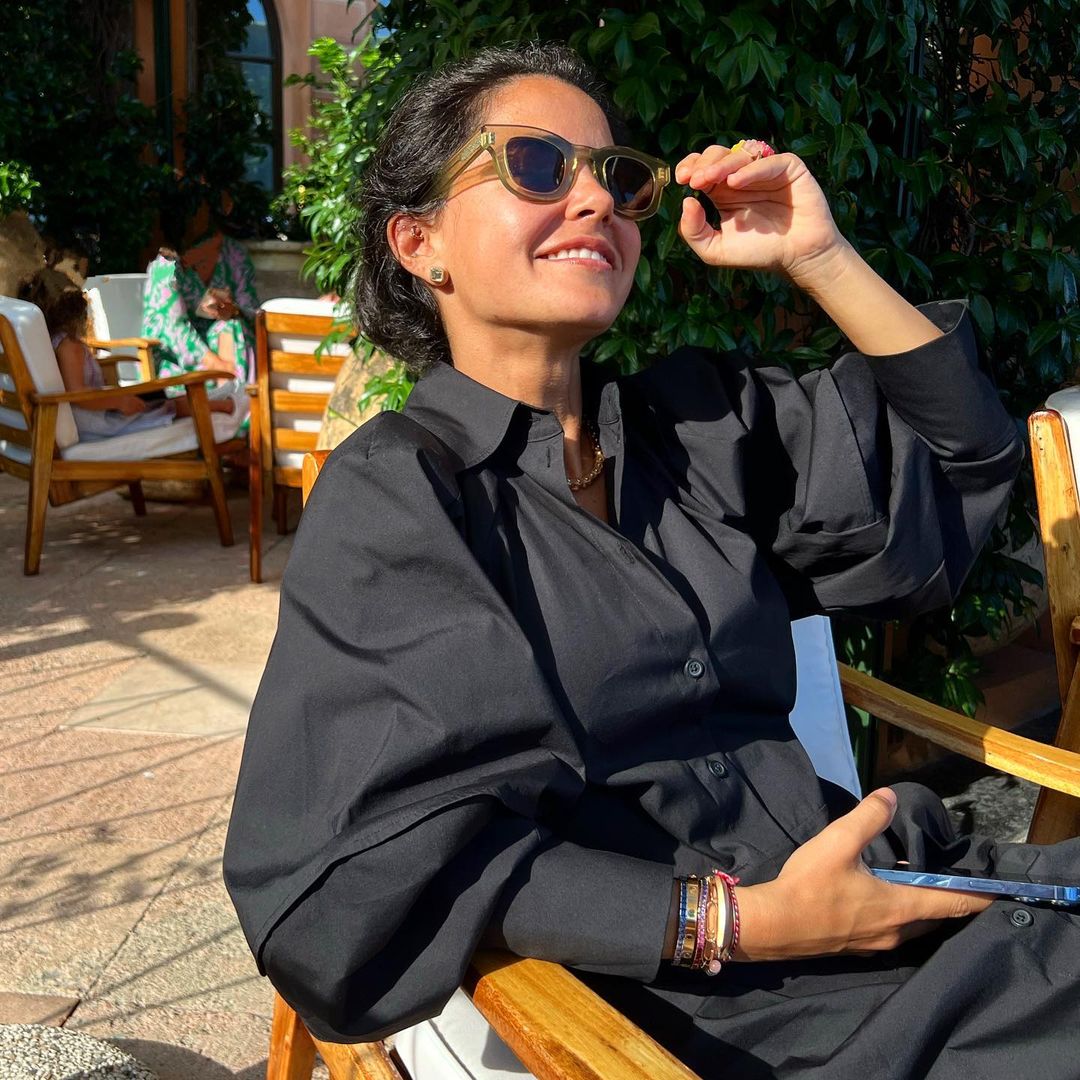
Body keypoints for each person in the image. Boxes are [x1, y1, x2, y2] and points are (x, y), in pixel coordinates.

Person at [224, 43, 1079, 1079]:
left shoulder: (696, 428)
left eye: (618, 177)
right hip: (728, 1014)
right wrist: (744, 923)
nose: (595, 199)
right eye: (537, 165)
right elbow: (356, 873)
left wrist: (820, 257)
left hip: (910, 897)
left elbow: (963, 454)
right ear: (421, 242)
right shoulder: (405, 499)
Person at [19, 270, 240, 441]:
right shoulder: (70, 346)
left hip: (90, 416)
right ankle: (229, 406)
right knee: (169, 406)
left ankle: (221, 398)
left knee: (159, 400)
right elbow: (78, 394)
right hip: (97, 422)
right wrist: (120, 401)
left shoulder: (51, 341)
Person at [141, 199, 258, 389]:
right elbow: (172, 329)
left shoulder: (234, 254)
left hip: (225, 353)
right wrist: (219, 367)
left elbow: (253, 313)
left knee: (232, 326)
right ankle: (235, 396)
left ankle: (236, 399)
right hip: (176, 360)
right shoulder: (165, 266)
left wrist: (234, 311)